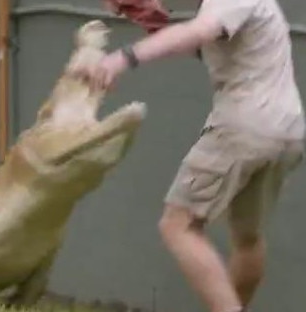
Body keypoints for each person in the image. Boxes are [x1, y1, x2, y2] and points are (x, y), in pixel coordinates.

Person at [67, 0, 306, 312]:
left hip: (244, 127)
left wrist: (119, 60)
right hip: (287, 132)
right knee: (247, 239)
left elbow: (198, 32)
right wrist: (157, 26)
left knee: (177, 225)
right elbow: (205, 45)